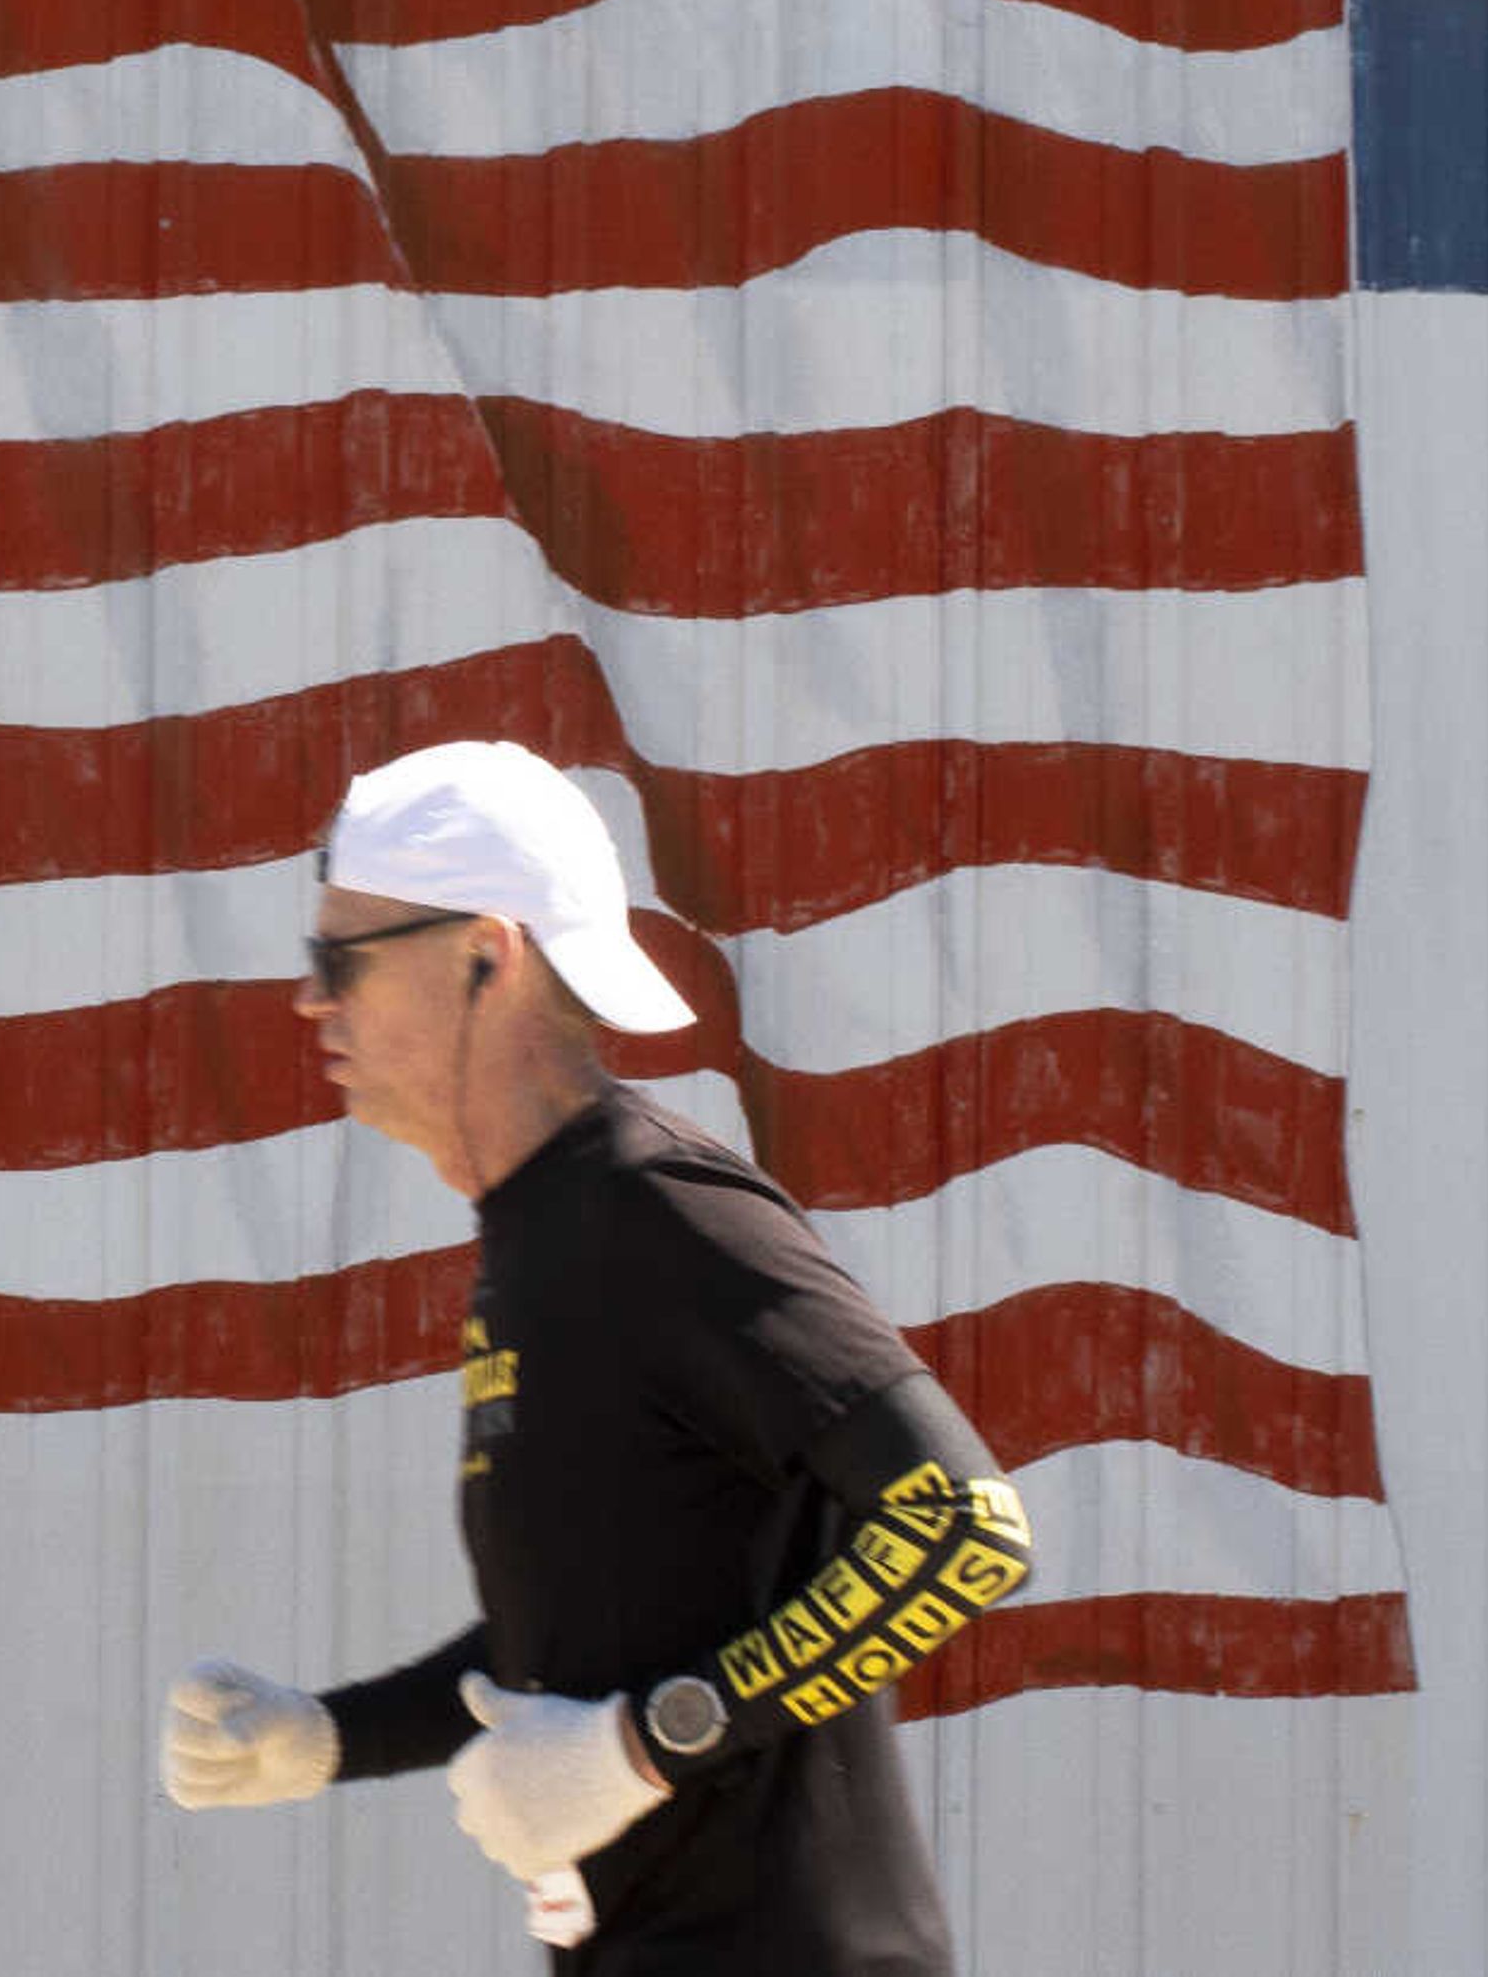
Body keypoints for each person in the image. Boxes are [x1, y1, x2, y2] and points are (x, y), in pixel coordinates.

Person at [156, 740, 1035, 1973]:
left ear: (484, 954)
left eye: (339, 958)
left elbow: (963, 1522)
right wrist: (324, 1737)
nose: (311, 999)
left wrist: (649, 1743)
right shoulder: (540, 1238)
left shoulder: (659, 1207)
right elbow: (585, 1631)